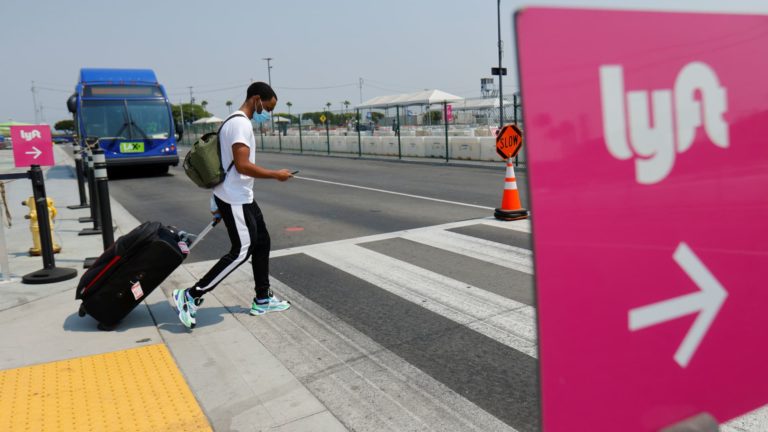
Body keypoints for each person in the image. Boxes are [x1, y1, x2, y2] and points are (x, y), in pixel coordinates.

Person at [172, 82, 294, 329]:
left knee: (262, 242)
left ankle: (262, 298)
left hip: (241, 195)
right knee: (241, 250)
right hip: (234, 197)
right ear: (257, 99)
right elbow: (242, 165)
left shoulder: (232, 121)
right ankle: (191, 295)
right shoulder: (240, 124)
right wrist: (275, 174)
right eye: (267, 108)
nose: (267, 114)